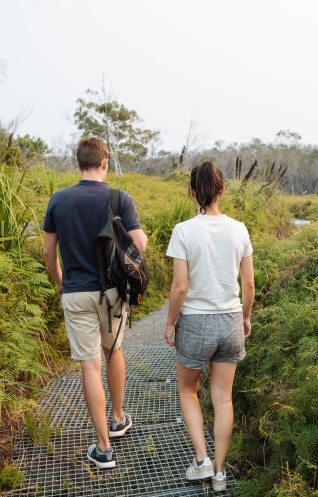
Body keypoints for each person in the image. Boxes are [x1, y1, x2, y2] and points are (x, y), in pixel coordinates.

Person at [42, 137, 148, 469]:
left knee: (90, 366)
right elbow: (140, 244)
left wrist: (61, 283)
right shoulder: (119, 198)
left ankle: (103, 449)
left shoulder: (59, 200)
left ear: (79, 163)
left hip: (75, 292)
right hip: (113, 293)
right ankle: (117, 419)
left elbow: (48, 252)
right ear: (105, 163)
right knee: (113, 351)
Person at [164, 161, 255, 492]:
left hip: (196, 323)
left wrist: (171, 323)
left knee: (188, 390)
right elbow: (249, 284)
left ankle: (201, 459)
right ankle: (219, 473)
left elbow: (180, 288)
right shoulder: (239, 229)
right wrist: (245, 317)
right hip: (230, 321)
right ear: (223, 190)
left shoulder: (183, 231)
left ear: (192, 192)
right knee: (223, 398)